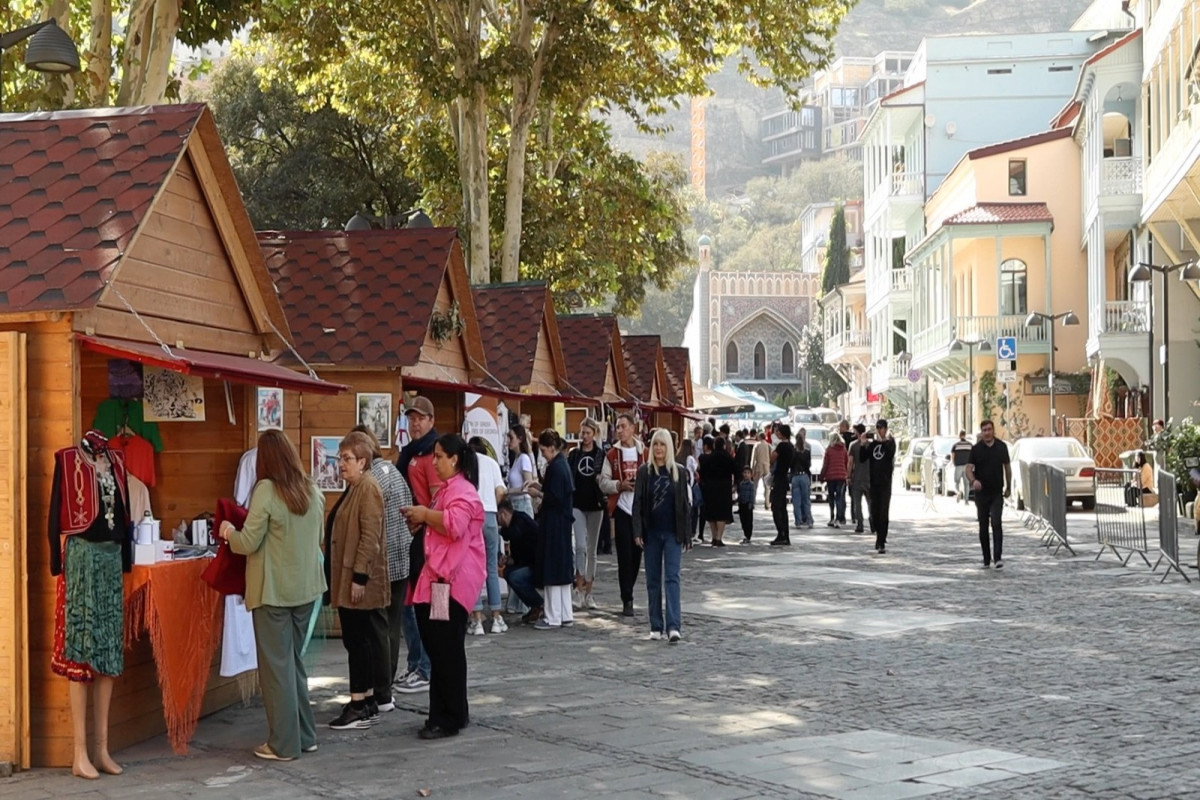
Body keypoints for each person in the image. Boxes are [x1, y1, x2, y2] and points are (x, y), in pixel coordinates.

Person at [219, 430, 326, 761]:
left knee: (275, 671)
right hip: (306, 592)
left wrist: (228, 532)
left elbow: (248, 543)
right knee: (293, 664)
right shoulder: (313, 489)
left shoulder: (266, 490)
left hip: (273, 593)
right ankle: (305, 736)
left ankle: (283, 744)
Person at [48, 431, 133, 779]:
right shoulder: (67, 461)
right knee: (82, 651)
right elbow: (55, 516)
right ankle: (79, 751)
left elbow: (124, 518)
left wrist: (125, 560)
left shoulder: (116, 461)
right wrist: (58, 562)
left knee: (108, 652)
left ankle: (102, 749)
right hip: (82, 558)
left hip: (111, 560)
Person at [400, 434, 487, 739]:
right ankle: (448, 712)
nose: (433, 462)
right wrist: (423, 521)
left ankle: (448, 718)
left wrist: (425, 515)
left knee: (445, 650)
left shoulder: (463, 490)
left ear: (455, 459)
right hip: (439, 582)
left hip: (450, 583)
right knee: (441, 649)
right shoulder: (448, 490)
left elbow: (454, 525)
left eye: (438, 456)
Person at [325, 432, 389, 730]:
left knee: (357, 640)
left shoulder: (368, 488)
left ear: (363, 461)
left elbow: (370, 538)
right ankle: (365, 699)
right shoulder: (355, 487)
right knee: (357, 640)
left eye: (347, 459)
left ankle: (359, 704)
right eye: (340, 458)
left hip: (358, 579)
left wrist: (360, 577)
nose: (341, 464)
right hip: (349, 576)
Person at [350, 425, 413, 711]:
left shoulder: (370, 481)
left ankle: (381, 691)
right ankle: (384, 688)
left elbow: (370, 529)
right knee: (391, 626)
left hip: (382, 563)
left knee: (377, 629)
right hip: (402, 559)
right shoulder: (394, 472)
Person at [393, 397, 437, 695]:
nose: (415, 423)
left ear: (431, 421)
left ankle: (425, 668)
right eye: (411, 419)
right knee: (409, 604)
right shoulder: (410, 453)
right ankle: (415, 664)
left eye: (420, 418)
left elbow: (436, 499)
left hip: (427, 537)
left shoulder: (432, 455)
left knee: (422, 606)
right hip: (413, 533)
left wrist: (423, 520)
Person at [632, 429, 691, 643]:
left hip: (673, 534)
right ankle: (655, 625)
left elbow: (685, 505)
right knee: (653, 580)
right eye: (656, 444)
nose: (658, 448)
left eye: (663, 444)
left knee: (672, 578)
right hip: (652, 534)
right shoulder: (644, 472)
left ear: (669, 448)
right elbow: (637, 503)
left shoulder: (680, 472)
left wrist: (687, 534)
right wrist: (637, 531)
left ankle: (674, 626)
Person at [526, 430, 576, 630]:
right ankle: (565, 613)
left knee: (552, 568)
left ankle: (552, 616)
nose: (543, 454)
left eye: (544, 450)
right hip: (563, 523)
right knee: (562, 568)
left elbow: (553, 497)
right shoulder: (562, 464)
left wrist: (537, 492)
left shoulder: (555, 467)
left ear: (552, 448)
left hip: (554, 523)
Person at [599, 413, 647, 616]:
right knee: (624, 555)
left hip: (640, 510)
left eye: (623, 426)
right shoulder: (612, 455)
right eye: (617, 427)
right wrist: (619, 485)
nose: (620, 430)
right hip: (621, 508)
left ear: (632, 428)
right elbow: (603, 482)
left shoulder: (644, 452)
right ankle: (627, 598)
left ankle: (630, 586)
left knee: (637, 555)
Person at [467, 437, 507, 635]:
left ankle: (477, 619)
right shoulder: (492, 463)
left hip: (472, 518)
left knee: (474, 568)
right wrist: (493, 502)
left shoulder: (466, 463)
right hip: (490, 515)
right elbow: (501, 491)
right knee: (491, 567)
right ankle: (497, 616)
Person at [568, 418, 606, 610]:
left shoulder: (601, 454)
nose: (584, 437)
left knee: (592, 549)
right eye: (582, 433)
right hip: (578, 503)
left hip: (596, 504)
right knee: (580, 546)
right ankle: (578, 588)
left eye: (588, 433)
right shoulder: (574, 455)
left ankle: (589, 592)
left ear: (594, 434)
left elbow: (605, 476)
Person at [965, 420, 1011, 569]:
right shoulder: (976, 449)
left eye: (989, 429)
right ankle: (986, 558)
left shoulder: (1001, 447)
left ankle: (998, 557)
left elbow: (1007, 468)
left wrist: (1009, 486)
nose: (987, 432)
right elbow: (968, 469)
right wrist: (973, 481)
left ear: (993, 430)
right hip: (982, 494)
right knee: (983, 526)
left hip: (997, 492)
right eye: (984, 430)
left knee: (996, 523)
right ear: (982, 432)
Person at [497, 498, 544, 621]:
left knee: (513, 576)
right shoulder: (520, 520)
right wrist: (508, 560)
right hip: (531, 563)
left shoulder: (519, 521)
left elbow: (514, 534)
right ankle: (536, 605)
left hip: (538, 565)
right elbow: (520, 555)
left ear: (503, 514)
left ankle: (538, 604)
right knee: (509, 572)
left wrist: (500, 531)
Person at [861, 419, 897, 554]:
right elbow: (863, 458)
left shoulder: (890, 442)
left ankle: (881, 541)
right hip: (873, 483)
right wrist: (863, 444)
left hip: (885, 483)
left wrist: (884, 441)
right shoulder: (873, 444)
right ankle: (878, 534)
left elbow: (890, 453)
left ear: (886, 429)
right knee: (874, 512)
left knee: (883, 512)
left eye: (882, 428)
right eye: (878, 428)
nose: (880, 430)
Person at [698, 435, 737, 547]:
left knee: (712, 513)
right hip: (724, 487)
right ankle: (719, 537)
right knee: (722, 514)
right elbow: (736, 469)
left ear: (714, 445)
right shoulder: (728, 457)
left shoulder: (708, 458)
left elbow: (702, 473)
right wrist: (735, 484)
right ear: (724, 445)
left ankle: (714, 536)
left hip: (710, 487)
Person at [769, 425, 795, 546]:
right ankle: (785, 534)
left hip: (779, 478)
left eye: (778, 432)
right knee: (783, 508)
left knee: (776, 507)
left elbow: (772, 458)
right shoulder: (791, 446)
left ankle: (781, 533)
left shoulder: (782, 446)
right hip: (785, 478)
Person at [505, 425, 537, 518]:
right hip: (515, 504)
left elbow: (528, 486)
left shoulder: (524, 458)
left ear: (520, 439)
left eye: (511, 438)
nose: (508, 441)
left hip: (522, 504)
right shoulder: (516, 459)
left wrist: (508, 491)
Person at [677, 438, 703, 547]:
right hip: (689, 487)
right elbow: (697, 468)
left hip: (679, 487)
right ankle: (691, 532)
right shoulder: (691, 458)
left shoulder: (677, 457)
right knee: (692, 511)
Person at [847, 425, 872, 535]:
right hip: (869, 477)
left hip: (857, 477)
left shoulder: (853, 445)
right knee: (870, 502)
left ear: (857, 432)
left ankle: (860, 524)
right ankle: (872, 522)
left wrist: (848, 476)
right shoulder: (870, 445)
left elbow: (850, 462)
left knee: (857, 503)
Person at [821, 433, 849, 529]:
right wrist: (847, 475)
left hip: (831, 477)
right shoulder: (844, 449)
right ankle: (838, 519)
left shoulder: (829, 450)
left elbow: (826, 464)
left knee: (831, 497)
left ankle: (832, 517)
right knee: (839, 498)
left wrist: (822, 475)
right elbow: (846, 463)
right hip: (841, 476)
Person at [791, 428, 814, 529]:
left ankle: (798, 521)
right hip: (804, 476)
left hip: (795, 476)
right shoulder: (807, 452)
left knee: (796, 501)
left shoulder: (793, 452)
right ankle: (809, 521)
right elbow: (808, 465)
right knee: (806, 500)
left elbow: (791, 464)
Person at [951, 430, 973, 503]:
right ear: (965, 435)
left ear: (959, 436)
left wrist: (953, 463)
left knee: (956, 482)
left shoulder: (955, 445)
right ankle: (966, 500)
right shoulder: (970, 445)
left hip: (959, 466)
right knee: (967, 484)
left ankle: (958, 492)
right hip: (967, 466)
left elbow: (953, 456)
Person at [752, 432, 771, 510]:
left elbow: (753, 458)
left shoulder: (756, 445)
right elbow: (770, 455)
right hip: (766, 467)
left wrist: (751, 468)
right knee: (767, 487)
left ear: (759, 437)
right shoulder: (768, 445)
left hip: (758, 467)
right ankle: (767, 503)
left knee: (755, 486)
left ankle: (752, 502)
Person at [737, 466, 755, 543]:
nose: (746, 474)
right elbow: (740, 494)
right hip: (742, 504)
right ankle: (745, 534)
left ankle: (748, 535)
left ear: (751, 475)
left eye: (748, 473)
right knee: (743, 520)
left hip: (748, 504)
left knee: (748, 521)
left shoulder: (751, 484)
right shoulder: (741, 484)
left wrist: (751, 503)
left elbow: (752, 495)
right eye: (745, 473)